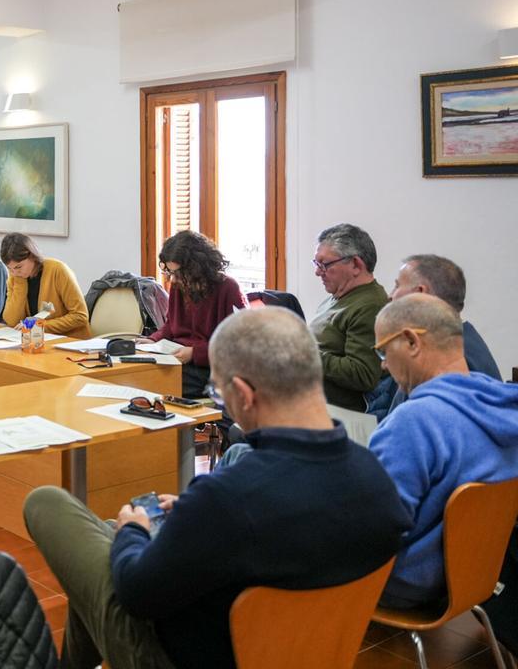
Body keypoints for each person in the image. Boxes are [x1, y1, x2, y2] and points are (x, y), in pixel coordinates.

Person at [23, 307, 409, 669]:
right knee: (107, 534)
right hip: (307, 652)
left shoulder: (228, 498)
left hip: (182, 656)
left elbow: (136, 594)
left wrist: (134, 531)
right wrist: (190, 519)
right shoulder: (374, 477)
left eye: (222, 396)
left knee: (53, 505)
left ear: (244, 394)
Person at [369, 294, 518, 609]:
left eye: (383, 350)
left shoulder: (415, 422)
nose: (383, 364)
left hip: (406, 582)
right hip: (478, 574)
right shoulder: (503, 405)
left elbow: (376, 530)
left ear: (411, 341)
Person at [367, 254, 502, 418]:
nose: (390, 295)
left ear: (420, 294)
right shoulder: (458, 339)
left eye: (397, 286)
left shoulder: (448, 358)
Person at [143, 231, 246, 398]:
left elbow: (236, 346)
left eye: (177, 273)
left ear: (196, 267)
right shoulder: (180, 287)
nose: (173, 280)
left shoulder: (229, 288)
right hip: (180, 360)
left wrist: (194, 353)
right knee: (140, 376)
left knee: (153, 385)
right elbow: (171, 325)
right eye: (170, 273)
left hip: (210, 369)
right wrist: (152, 340)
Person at [308, 223, 389, 411]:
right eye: (316, 264)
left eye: (324, 264)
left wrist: (305, 353)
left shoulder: (370, 306)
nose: (318, 271)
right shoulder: (338, 296)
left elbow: (363, 374)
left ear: (355, 264)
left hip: (335, 414)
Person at [0, 232, 90, 338]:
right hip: (36, 341)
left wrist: (40, 325)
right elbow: (11, 320)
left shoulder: (58, 270)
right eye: (9, 268)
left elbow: (80, 316)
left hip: (70, 341)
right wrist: (20, 283)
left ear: (32, 256)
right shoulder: (16, 277)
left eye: (19, 267)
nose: (14, 273)